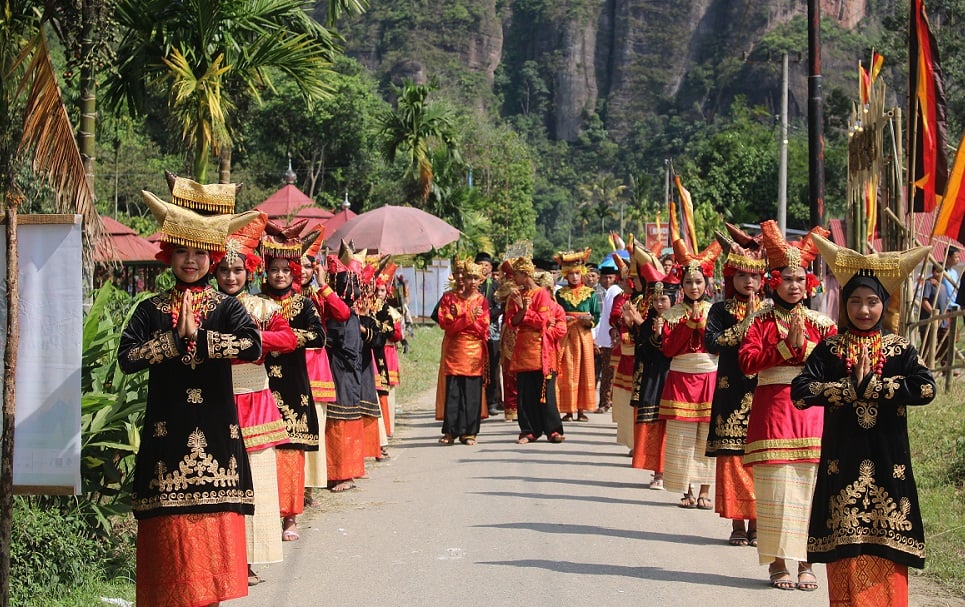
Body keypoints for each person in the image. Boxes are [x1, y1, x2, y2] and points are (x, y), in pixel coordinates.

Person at [119, 187, 263, 607]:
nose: (191, 260)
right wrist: (169, 341)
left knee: (213, 529)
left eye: (200, 252)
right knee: (169, 531)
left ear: (213, 257)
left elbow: (252, 346)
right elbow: (127, 358)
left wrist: (202, 339)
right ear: (169, 254)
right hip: (166, 436)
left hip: (216, 433)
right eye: (182, 250)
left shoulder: (227, 307)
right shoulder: (150, 309)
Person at [792, 235, 935, 607]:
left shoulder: (900, 348)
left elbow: (926, 388)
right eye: (855, 301)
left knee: (886, 540)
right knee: (845, 542)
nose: (863, 309)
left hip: (889, 459)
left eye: (872, 301)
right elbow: (800, 391)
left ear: (883, 303)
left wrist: (876, 387)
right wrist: (846, 389)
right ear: (844, 304)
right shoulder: (830, 349)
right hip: (842, 459)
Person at [738, 220, 836, 591]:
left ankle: (807, 563)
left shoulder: (822, 324)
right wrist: (782, 347)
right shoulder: (758, 321)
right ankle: (778, 563)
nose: (794, 286)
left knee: (811, 491)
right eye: (788, 279)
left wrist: (804, 348)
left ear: (808, 283)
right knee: (775, 492)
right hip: (772, 415)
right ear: (774, 281)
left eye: (800, 279)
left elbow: (834, 366)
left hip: (811, 416)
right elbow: (746, 363)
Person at [215, 212, 297, 586]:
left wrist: (254, 341)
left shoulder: (263, 308)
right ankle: (225, 560)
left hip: (255, 401)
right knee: (223, 482)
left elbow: (289, 339)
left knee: (259, 481)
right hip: (217, 400)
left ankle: (251, 559)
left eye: (237, 270)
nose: (231, 277)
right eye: (224, 270)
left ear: (249, 271)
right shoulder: (206, 307)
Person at [260, 220, 327, 539]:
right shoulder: (255, 303)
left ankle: (290, 517)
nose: (279, 275)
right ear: (265, 271)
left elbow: (318, 336)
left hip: (294, 385)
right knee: (265, 451)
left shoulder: (303, 304)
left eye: (285, 270)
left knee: (291, 451)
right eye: (274, 269)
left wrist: (283, 338)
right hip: (261, 384)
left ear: (294, 272)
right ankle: (265, 516)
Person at [704, 224, 765, 547]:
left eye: (754, 276)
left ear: (762, 279)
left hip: (763, 393)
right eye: (742, 275)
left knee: (758, 458)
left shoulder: (772, 310)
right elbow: (712, 343)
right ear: (732, 276)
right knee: (732, 457)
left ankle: (757, 523)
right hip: (730, 392)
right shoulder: (720, 310)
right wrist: (745, 325)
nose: (748, 281)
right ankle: (737, 523)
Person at [657, 238, 722, 511]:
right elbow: (668, 349)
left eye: (698, 282)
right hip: (681, 378)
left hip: (708, 376)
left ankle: (705, 489)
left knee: (707, 435)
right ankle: (688, 489)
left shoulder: (716, 312)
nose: (694, 287)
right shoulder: (671, 314)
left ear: (706, 284)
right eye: (688, 282)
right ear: (681, 286)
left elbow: (718, 346)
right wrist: (688, 327)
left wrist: (702, 326)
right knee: (682, 436)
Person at [300, 228, 351, 501]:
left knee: (314, 427)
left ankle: (308, 485)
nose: (302, 271)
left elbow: (342, 313)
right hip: (287, 370)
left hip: (316, 369)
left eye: (308, 266)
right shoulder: (276, 296)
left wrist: (323, 285)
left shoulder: (319, 295)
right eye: (297, 265)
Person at [623, 254, 680, 490]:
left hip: (675, 378)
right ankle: (658, 472)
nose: (659, 304)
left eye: (663, 299)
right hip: (655, 378)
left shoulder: (681, 320)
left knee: (675, 427)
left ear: (673, 299)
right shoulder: (649, 321)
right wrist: (646, 331)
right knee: (657, 424)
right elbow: (643, 351)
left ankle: (675, 473)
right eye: (655, 299)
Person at [506, 257, 567, 443]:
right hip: (523, 348)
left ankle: (553, 430)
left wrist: (524, 310)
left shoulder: (541, 294)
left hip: (542, 349)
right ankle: (529, 431)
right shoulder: (516, 295)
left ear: (525, 275)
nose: (514, 278)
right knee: (526, 393)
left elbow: (542, 321)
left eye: (516, 274)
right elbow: (512, 322)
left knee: (545, 392)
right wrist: (521, 310)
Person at [325, 241, 369, 492]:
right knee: (342, 419)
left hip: (342, 371)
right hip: (344, 370)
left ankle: (343, 473)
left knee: (340, 420)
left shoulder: (345, 313)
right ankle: (341, 472)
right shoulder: (346, 313)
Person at [437, 259, 491, 445]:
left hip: (474, 351)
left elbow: (483, 328)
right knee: (453, 392)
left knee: (472, 393)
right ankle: (450, 432)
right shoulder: (449, 299)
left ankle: (470, 433)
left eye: (476, 278)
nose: (472, 282)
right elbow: (447, 326)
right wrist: (469, 317)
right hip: (455, 350)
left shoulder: (482, 301)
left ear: (481, 280)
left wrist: (461, 319)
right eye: (469, 277)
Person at [554, 248, 600, 422]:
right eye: (571, 274)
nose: (574, 277)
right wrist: (563, 319)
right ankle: (568, 410)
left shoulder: (590, 293)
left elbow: (596, 314)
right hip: (566, 335)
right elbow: (556, 313)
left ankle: (581, 410)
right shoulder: (560, 294)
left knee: (584, 370)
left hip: (583, 334)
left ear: (582, 273)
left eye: (577, 273)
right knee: (567, 370)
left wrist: (589, 321)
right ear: (566, 275)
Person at [476, 251, 504, 416]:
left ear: (491, 268)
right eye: (480, 265)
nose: (483, 268)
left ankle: (492, 401)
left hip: (492, 330)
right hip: (473, 330)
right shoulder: (470, 284)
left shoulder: (495, 285)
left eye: (486, 265)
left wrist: (485, 316)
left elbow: (500, 306)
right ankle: (477, 402)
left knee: (493, 366)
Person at [594, 259, 623, 413]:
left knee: (612, 373)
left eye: (611, 277)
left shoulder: (616, 291)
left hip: (613, 338)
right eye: (605, 277)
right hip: (609, 338)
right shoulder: (614, 291)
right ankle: (605, 402)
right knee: (608, 372)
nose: (607, 280)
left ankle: (608, 402)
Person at [919, 263, 949, 364]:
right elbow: (924, 301)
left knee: (945, 342)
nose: (943, 275)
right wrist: (934, 313)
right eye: (941, 273)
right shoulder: (929, 284)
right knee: (927, 346)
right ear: (935, 272)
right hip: (929, 321)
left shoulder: (943, 286)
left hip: (942, 321)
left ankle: (943, 364)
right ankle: (925, 366)